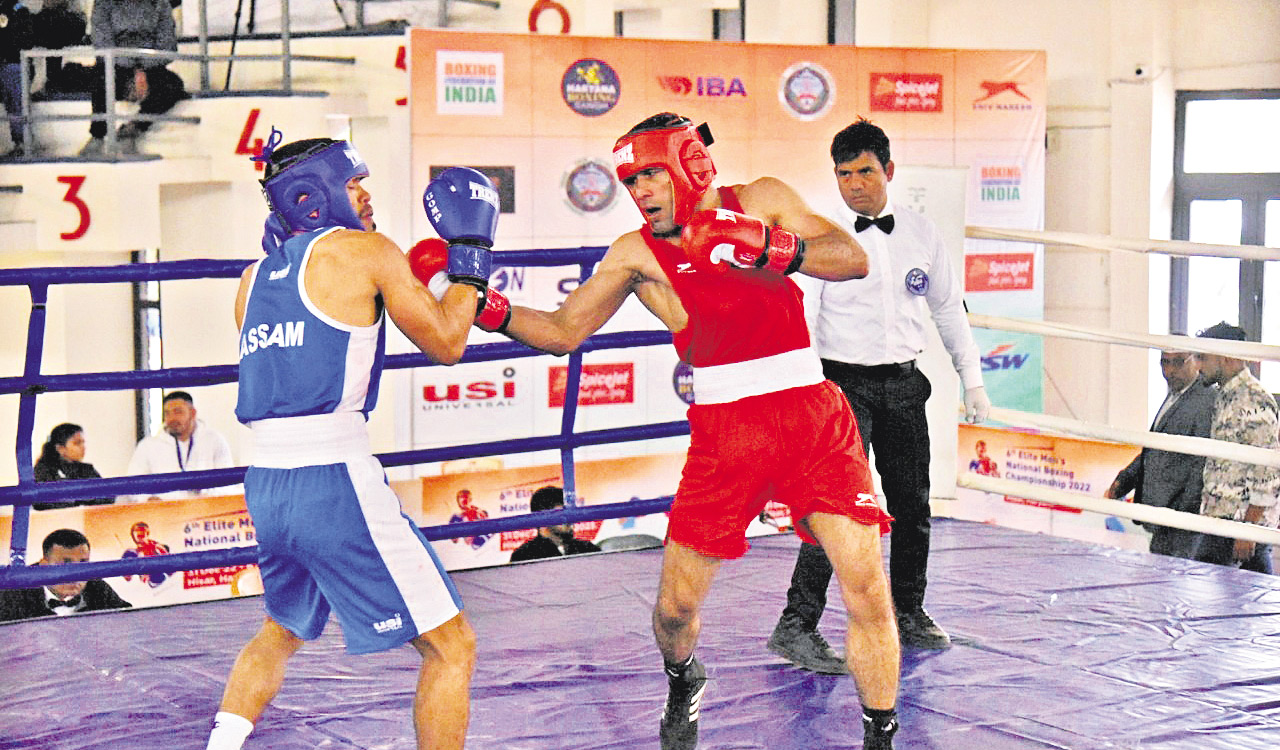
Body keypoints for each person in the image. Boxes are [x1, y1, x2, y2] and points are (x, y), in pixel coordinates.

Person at [488, 112, 902, 750]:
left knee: (868, 586)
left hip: (811, 415)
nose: (640, 191)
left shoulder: (761, 199)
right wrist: (486, 306)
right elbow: (562, 331)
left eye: (650, 173)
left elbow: (851, 259)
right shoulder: (634, 252)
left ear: (690, 162)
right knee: (675, 611)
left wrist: (766, 244)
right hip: (724, 431)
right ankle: (684, 677)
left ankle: (881, 732)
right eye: (631, 181)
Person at [205, 132, 494, 750]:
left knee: (280, 629)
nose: (365, 196)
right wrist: (469, 254)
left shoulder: (251, 281)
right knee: (451, 646)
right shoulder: (367, 254)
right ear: (315, 194)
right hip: (332, 481)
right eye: (354, 184)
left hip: (267, 484)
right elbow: (447, 341)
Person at [769, 117, 992, 668]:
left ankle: (908, 611)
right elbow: (805, 320)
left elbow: (947, 310)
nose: (855, 184)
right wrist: (805, 394)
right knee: (836, 508)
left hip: (904, 381)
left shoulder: (921, 233)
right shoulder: (823, 240)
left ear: (888, 171)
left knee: (913, 504)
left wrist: (975, 382)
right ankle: (795, 625)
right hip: (841, 385)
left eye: (865, 171)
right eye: (844, 174)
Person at [1103, 348, 1216, 559]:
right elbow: (1155, 450)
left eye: (1179, 362)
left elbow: (1202, 463)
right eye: (1165, 362)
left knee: (1175, 583)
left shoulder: (1206, 400)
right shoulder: (1175, 396)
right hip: (1163, 517)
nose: (1170, 370)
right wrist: (1125, 479)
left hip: (1181, 521)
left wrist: (1184, 514)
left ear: (1196, 360)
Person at [1191, 322, 1280, 574]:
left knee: (1249, 606)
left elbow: (1267, 469)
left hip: (1239, 526)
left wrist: (1247, 530)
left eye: (1203, 357)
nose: (1198, 366)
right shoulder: (1226, 395)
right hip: (1221, 522)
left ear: (1226, 357)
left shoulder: (1253, 398)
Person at [79, 0, 188, 157]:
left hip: (151, 66)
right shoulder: (103, 3)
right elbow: (103, 44)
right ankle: (97, 135)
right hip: (116, 64)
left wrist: (142, 69)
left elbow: (168, 46)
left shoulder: (160, 4)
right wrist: (134, 70)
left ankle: (133, 128)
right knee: (101, 77)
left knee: (173, 84)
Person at [121, 391, 235, 503]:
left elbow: (228, 484)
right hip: (162, 515)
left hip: (205, 514)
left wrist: (204, 499)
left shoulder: (214, 440)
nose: (171, 419)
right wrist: (148, 499)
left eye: (178, 412)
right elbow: (133, 485)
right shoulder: (147, 446)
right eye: (167, 413)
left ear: (193, 413)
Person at [0, 529, 132, 622]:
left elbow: (127, 621)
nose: (75, 574)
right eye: (65, 565)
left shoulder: (96, 585)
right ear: (44, 565)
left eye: (83, 563)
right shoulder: (13, 594)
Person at [31, 422, 114, 509]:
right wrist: (81, 499)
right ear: (61, 448)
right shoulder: (43, 470)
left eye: (83, 442)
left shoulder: (87, 469)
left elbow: (107, 496)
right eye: (77, 443)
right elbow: (43, 502)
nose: (83, 447)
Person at [509, 486, 602, 562]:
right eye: (562, 514)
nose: (569, 519)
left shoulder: (588, 549)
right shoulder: (524, 556)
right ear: (542, 517)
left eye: (570, 513)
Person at [0, 0, 34, 159]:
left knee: (16, 105)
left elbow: (25, 40)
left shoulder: (18, 10)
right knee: (11, 105)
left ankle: (22, 143)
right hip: (5, 65)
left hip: (13, 64)